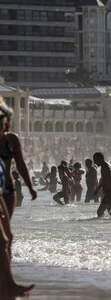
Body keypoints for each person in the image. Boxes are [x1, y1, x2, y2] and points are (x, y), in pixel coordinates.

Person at [0, 98, 35, 296]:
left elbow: (20, 165)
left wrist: (30, 187)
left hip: (7, 191)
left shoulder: (11, 140)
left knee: (7, 237)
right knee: (4, 238)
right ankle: (6, 283)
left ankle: (6, 279)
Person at [93, 152, 111, 218]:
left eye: (95, 160)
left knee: (99, 212)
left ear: (101, 158)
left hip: (110, 192)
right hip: (110, 191)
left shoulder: (106, 167)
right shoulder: (106, 165)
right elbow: (104, 179)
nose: (95, 162)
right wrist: (97, 189)